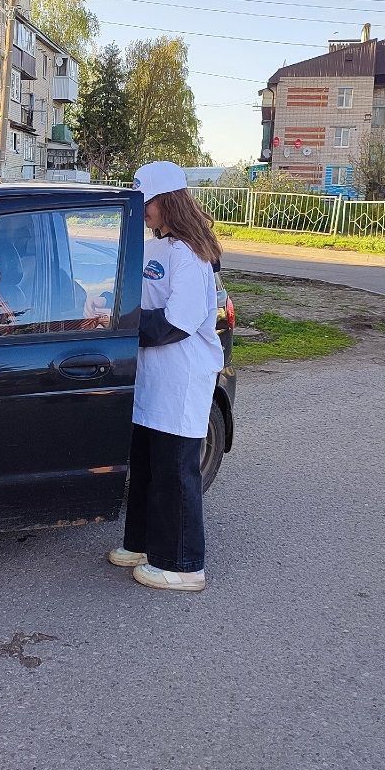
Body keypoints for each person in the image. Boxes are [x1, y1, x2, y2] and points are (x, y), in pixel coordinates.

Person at [108, 161, 223, 592]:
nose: (143, 211)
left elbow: (179, 321)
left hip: (181, 376)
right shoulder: (157, 247)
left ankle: (184, 563)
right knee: (147, 465)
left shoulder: (192, 255)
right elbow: (139, 294)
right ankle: (142, 543)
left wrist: (123, 325)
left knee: (176, 470)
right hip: (152, 375)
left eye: (147, 202)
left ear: (167, 201)